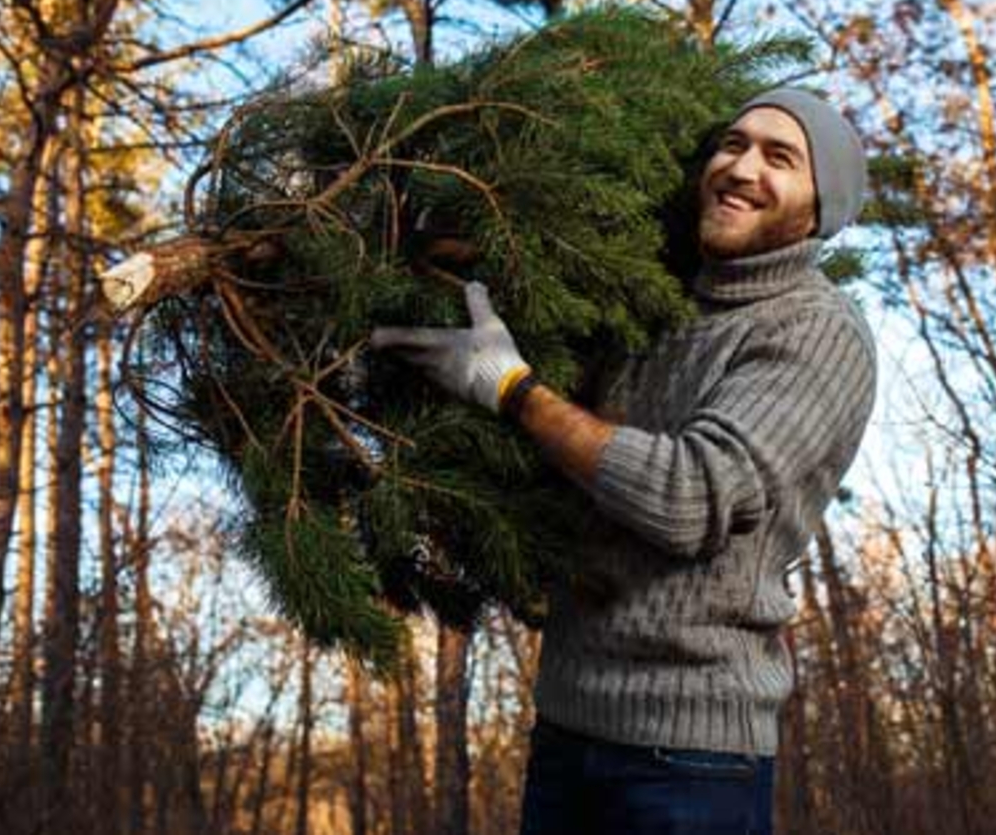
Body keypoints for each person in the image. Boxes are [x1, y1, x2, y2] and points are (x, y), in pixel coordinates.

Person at [371, 87, 876, 835]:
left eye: (781, 158)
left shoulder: (816, 332)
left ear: (819, 207)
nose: (740, 168)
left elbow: (690, 498)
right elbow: (573, 456)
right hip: (569, 731)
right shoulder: (657, 304)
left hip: (691, 763)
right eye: (732, 145)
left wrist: (513, 388)